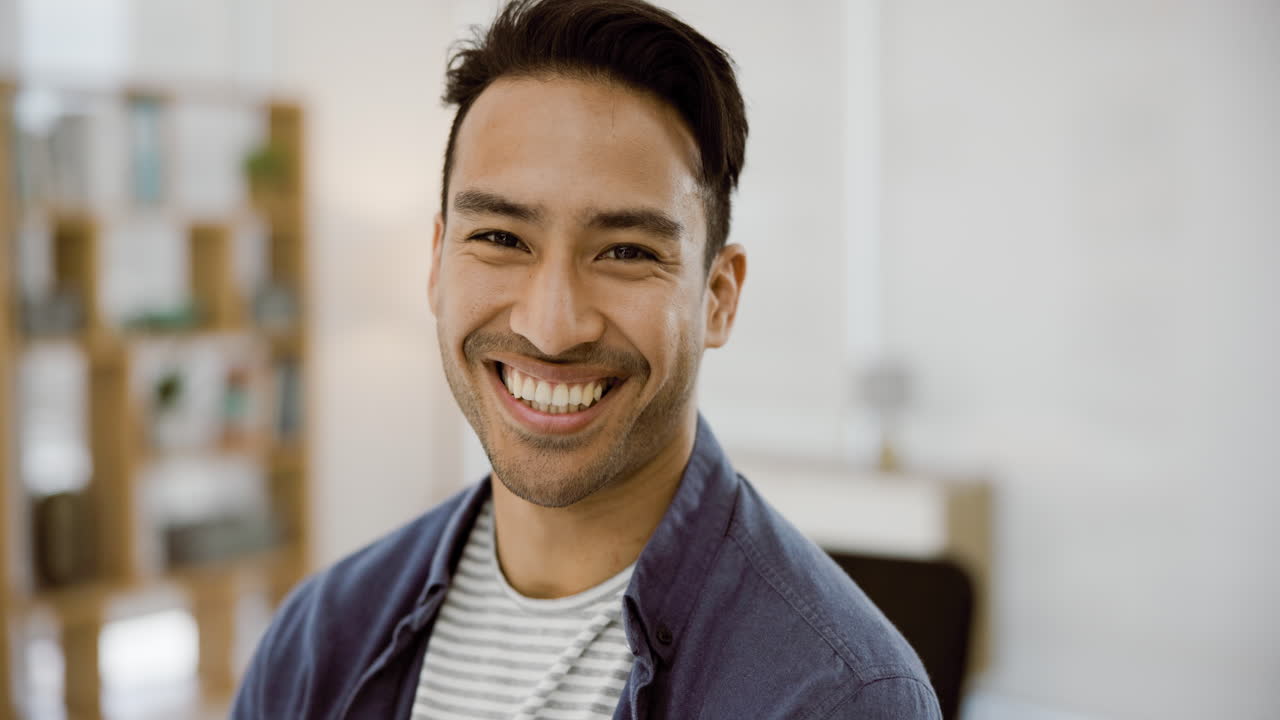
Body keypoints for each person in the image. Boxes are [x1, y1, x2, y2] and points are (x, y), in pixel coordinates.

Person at [232, 1, 941, 718]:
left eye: (627, 252)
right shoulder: (319, 640)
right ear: (438, 264)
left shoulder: (840, 696)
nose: (552, 327)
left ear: (718, 297)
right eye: (502, 239)